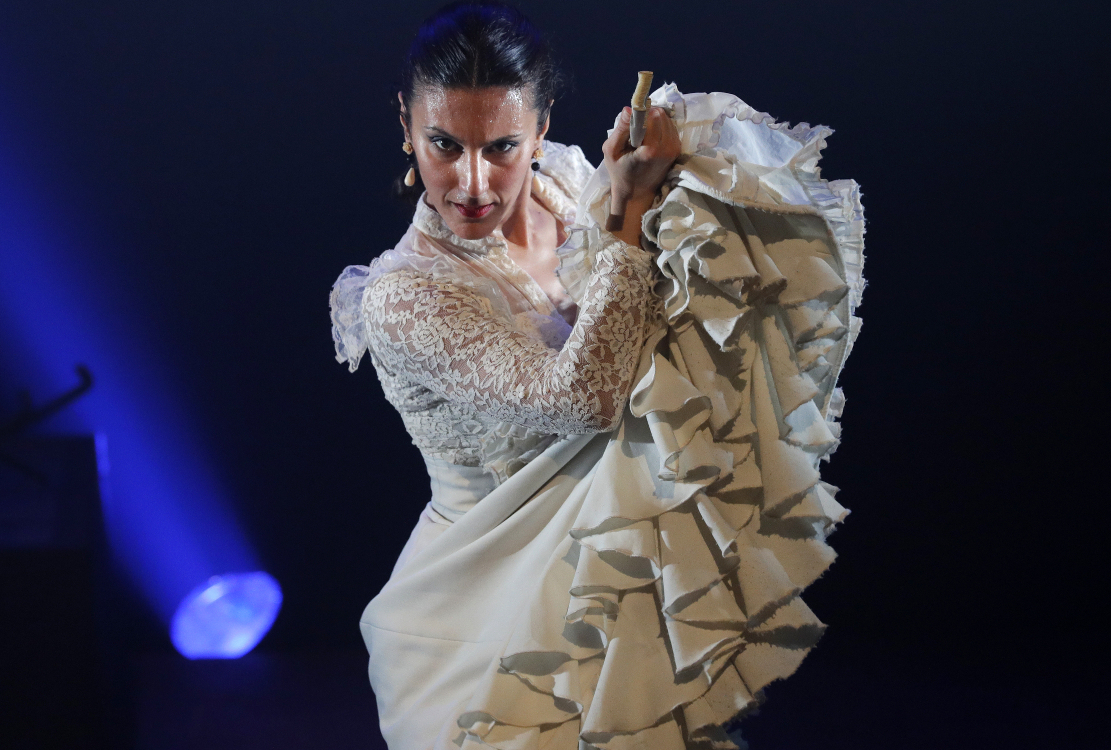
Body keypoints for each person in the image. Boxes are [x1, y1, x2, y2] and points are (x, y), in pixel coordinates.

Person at [330, 3, 865, 748]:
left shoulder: (573, 178)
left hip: (618, 565)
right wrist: (631, 214)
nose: (473, 180)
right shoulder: (404, 296)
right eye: (444, 144)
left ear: (542, 129)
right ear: (405, 124)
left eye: (504, 145)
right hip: (491, 608)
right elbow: (584, 398)